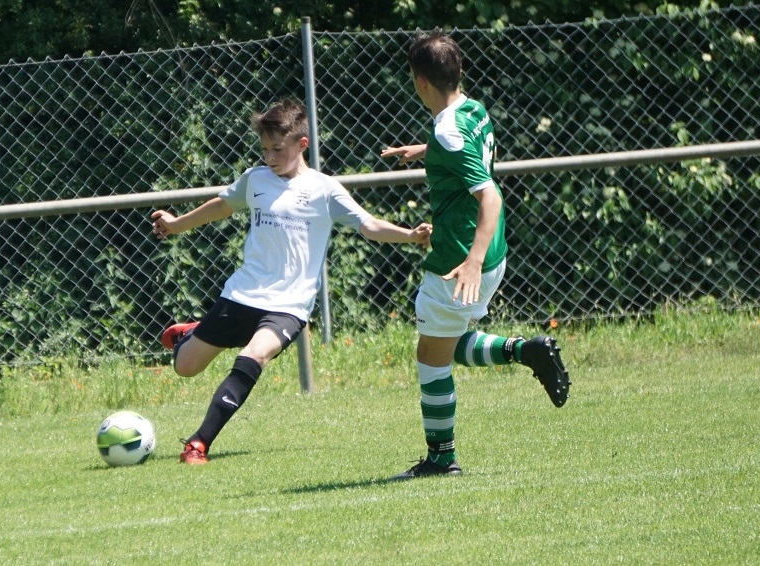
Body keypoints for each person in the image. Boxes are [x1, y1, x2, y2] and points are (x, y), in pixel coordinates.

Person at [150, 98, 433, 465]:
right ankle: (191, 334)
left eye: (277, 149)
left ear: (302, 144)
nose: (270, 157)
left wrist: (409, 235)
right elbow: (222, 205)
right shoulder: (255, 179)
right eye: (265, 149)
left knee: (254, 355)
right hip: (243, 293)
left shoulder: (324, 189)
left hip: (289, 305)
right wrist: (176, 225)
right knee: (185, 367)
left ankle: (199, 443)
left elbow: (369, 225)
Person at [380, 30, 570, 480]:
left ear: (420, 82)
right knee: (446, 343)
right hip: (492, 250)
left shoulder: (447, 130)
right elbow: (468, 149)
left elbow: (490, 196)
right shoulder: (472, 109)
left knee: (431, 357)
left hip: (462, 257)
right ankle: (527, 350)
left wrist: (472, 260)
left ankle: (441, 458)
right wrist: (425, 151)